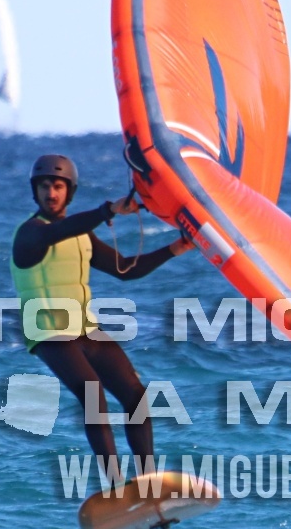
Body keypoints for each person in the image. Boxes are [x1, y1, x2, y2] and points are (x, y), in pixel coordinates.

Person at [11, 153, 191, 472]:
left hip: (85, 328)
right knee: (93, 396)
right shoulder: (31, 233)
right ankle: (115, 482)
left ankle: (147, 479)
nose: (50, 193)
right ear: (34, 191)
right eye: (44, 187)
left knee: (136, 395)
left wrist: (176, 248)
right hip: (48, 331)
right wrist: (108, 210)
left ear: (70, 191)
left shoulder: (82, 236)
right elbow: (57, 232)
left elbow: (126, 269)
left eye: (57, 186)